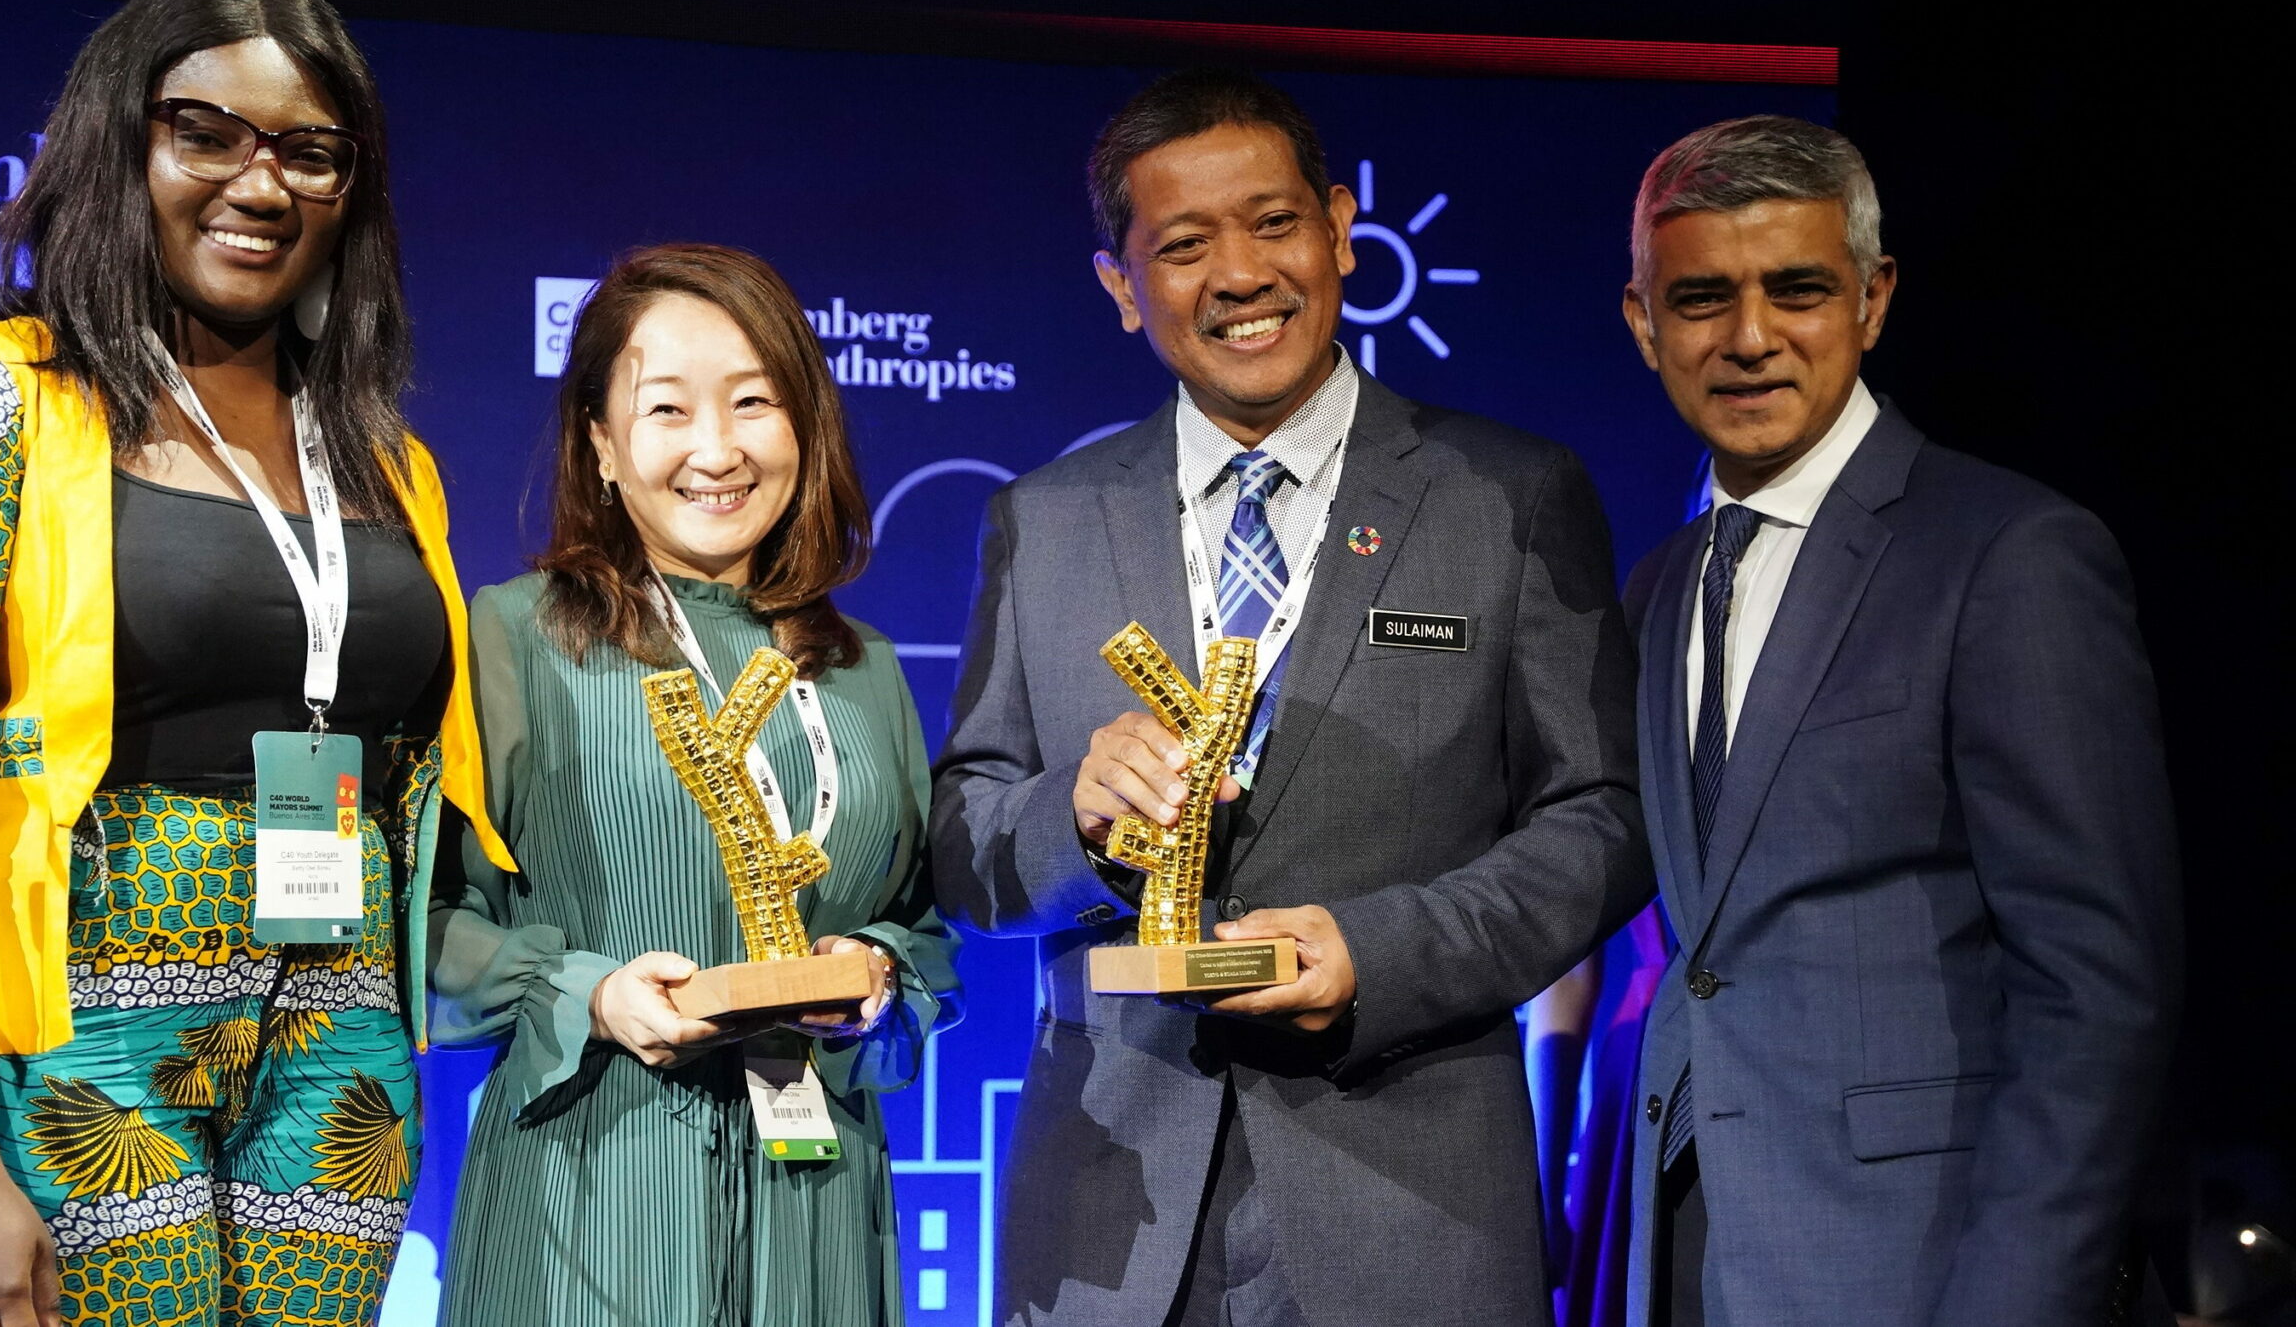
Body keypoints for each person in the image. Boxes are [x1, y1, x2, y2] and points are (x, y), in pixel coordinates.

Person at [0, 0, 509, 1326]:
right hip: (69, 1046)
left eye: (310, 151)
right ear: (121, 140)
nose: (262, 183)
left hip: (341, 1043)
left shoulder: (386, 460)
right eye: (208, 132)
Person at [930, 68, 1651, 1327]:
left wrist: (1378, 953)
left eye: (1272, 224)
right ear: (1121, 287)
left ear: (1339, 233)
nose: (1241, 273)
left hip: (1414, 1199)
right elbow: (963, 839)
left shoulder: (1508, 495)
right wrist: (1071, 818)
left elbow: (1605, 817)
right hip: (1111, 1221)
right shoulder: (1042, 519)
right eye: (1184, 243)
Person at [1615, 116, 2181, 1326]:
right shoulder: (1657, 585)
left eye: (1797, 290)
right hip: (1695, 1249)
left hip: (1924, 1270)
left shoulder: (2009, 554)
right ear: (1642, 322)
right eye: (1702, 296)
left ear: (1871, 301)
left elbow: (2095, 989)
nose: (1750, 337)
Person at [429, 242, 961, 1326]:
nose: (716, 449)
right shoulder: (512, 635)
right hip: (588, 1196)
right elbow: (424, 924)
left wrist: (876, 973)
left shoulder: (861, 666)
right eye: (667, 409)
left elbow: (924, 929)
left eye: (754, 402)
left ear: (804, 427)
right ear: (602, 445)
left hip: (817, 1207)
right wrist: (584, 990)